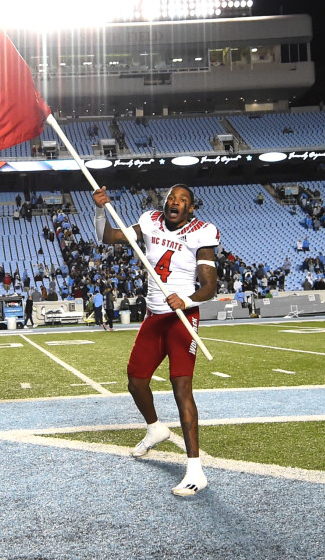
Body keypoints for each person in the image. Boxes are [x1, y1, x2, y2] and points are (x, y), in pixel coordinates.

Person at [92, 184, 219, 497]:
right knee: (135, 382)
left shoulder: (202, 233)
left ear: (191, 208)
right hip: (154, 316)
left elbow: (210, 286)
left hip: (182, 318)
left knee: (181, 388)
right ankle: (155, 428)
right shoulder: (149, 220)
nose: (175, 202)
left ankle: (195, 469)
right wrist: (99, 208)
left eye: (182, 200)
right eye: (172, 198)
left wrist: (187, 300)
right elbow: (108, 237)